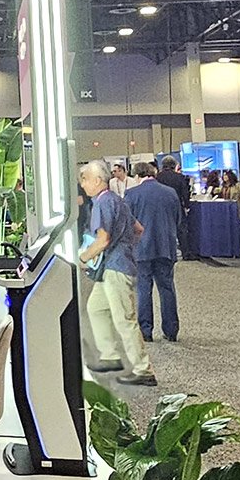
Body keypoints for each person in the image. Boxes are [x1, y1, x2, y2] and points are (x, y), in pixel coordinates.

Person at [78, 161, 154, 387]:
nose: (83, 184)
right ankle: (110, 356)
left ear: (97, 181)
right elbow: (138, 229)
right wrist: (126, 248)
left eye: (85, 179)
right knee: (96, 308)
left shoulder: (102, 203)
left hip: (115, 269)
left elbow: (103, 240)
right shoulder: (116, 200)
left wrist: (83, 257)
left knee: (124, 319)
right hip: (116, 265)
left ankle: (143, 370)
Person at [124, 163, 182, 343]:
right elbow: (178, 219)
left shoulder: (132, 194)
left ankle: (146, 331)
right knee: (167, 288)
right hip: (166, 246)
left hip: (142, 248)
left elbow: (127, 224)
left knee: (143, 289)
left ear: (137, 176)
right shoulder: (170, 193)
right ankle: (171, 330)